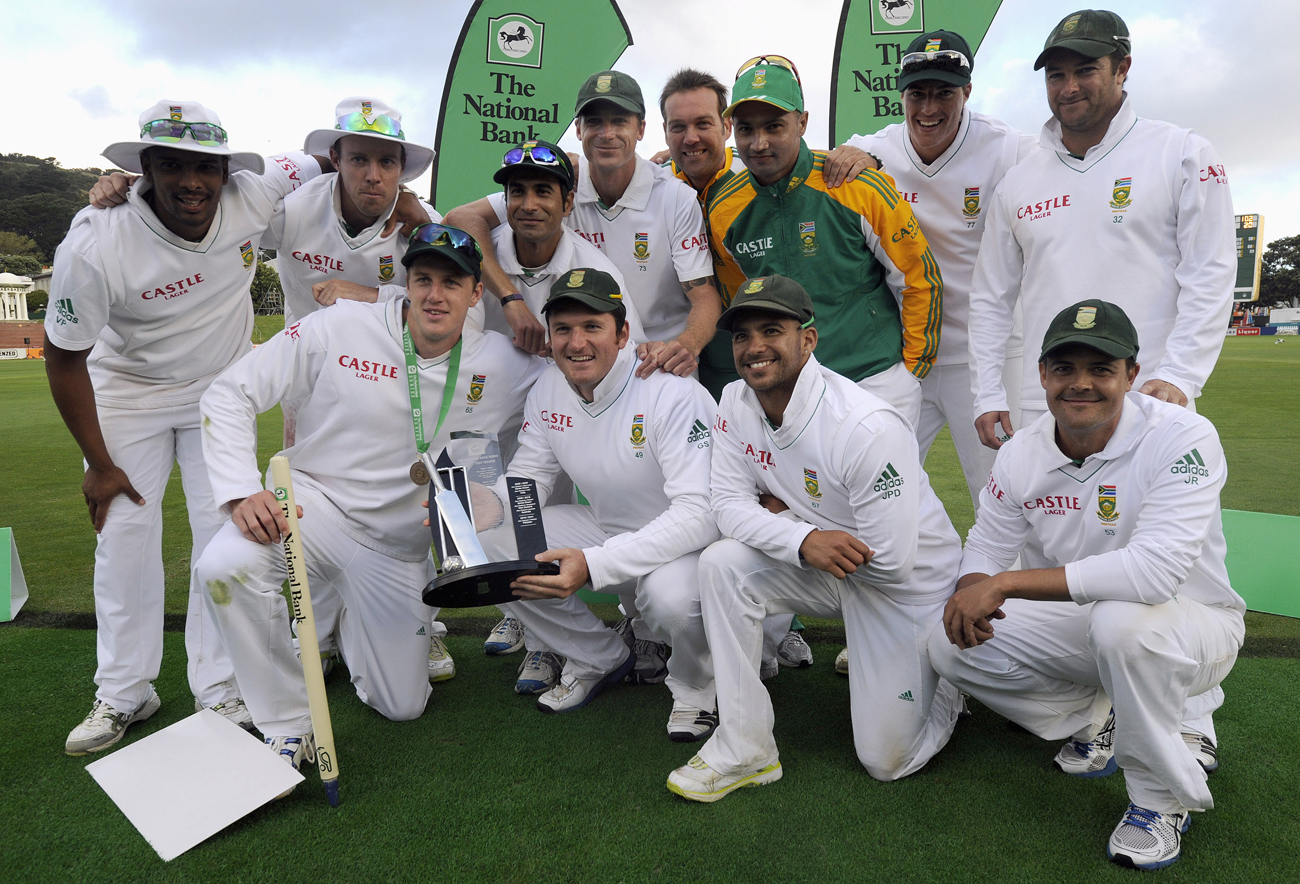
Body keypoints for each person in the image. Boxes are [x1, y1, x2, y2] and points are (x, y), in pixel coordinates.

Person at [195, 224, 543, 769]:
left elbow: (567, 401)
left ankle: (356, 625)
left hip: (397, 548)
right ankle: (287, 724)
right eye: (423, 279)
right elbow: (230, 392)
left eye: (452, 283)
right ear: (405, 283)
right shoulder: (338, 327)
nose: (435, 294)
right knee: (223, 566)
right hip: (314, 509)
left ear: (477, 294)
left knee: (401, 705)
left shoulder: (504, 362)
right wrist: (240, 493)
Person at [47, 100, 326, 754]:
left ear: (227, 169)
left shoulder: (255, 192)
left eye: (205, 166)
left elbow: (335, 157)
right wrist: (98, 464)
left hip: (217, 395)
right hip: (128, 392)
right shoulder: (95, 240)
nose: (191, 182)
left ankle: (220, 691)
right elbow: (64, 361)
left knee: (223, 538)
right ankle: (124, 693)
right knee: (124, 540)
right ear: (144, 167)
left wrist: (401, 203)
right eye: (171, 164)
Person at [929, 300, 1244, 870]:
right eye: (1064, 368)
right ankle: (1097, 719)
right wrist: (974, 589)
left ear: (1131, 374)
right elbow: (987, 544)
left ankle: (1158, 799)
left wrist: (1003, 584)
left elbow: (1153, 574)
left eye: (1101, 369)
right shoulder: (1023, 451)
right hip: (1094, 623)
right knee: (947, 642)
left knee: (1121, 621)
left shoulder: (1184, 436)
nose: (1081, 384)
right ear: (1043, 375)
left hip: (1196, 626)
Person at [666, 275, 963, 802]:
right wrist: (801, 536)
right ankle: (745, 748)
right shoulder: (735, 400)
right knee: (722, 563)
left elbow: (892, 563)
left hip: (907, 588)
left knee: (886, 762)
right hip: (827, 566)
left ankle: (945, 686)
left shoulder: (864, 425)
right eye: (741, 336)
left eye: (772, 330)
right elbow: (727, 505)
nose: (754, 348)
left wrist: (796, 529)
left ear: (808, 339)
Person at [967, 9, 1234, 448]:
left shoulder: (1182, 152)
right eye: (1056, 75)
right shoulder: (1018, 182)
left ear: (1122, 68)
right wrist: (988, 393)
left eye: (1086, 70)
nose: (1068, 88)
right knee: (1046, 518)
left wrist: (1179, 375)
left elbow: (1210, 274)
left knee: (1161, 519)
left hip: (1150, 399)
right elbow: (990, 299)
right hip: (1046, 404)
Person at [494, 267, 720, 735]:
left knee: (670, 600)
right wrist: (471, 507)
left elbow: (700, 514)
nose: (576, 343)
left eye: (592, 327)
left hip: (691, 549)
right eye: (563, 329)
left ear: (622, 334)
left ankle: (699, 686)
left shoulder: (671, 391)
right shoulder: (547, 388)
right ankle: (599, 656)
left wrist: (595, 564)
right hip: (609, 534)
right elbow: (526, 482)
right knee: (497, 534)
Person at [846, 31, 1037, 511]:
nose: (929, 108)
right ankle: (900, 584)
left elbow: (1077, 164)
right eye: (918, 94)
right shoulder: (871, 149)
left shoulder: (1008, 148)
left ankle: (1009, 588)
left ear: (967, 92)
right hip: (905, 354)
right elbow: (789, 166)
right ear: (902, 95)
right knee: (879, 486)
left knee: (1001, 491)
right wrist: (685, 171)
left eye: (944, 93)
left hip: (987, 355)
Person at [704, 57, 944, 429]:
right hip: (790, 390)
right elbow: (741, 298)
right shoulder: (723, 209)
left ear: (802, 122)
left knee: (888, 489)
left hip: (875, 379)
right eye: (746, 129)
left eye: (774, 126)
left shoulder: (856, 185)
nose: (759, 142)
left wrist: (912, 370)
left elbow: (918, 278)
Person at [449, 71, 721, 380]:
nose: (606, 134)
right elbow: (461, 218)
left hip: (656, 358)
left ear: (641, 129)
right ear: (578, 129)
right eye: (593, 122)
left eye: (619, 121)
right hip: (582, 351)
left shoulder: (675, 197)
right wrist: (511, 298)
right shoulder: (557, 187)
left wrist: (686, 344)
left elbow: (704, 297)